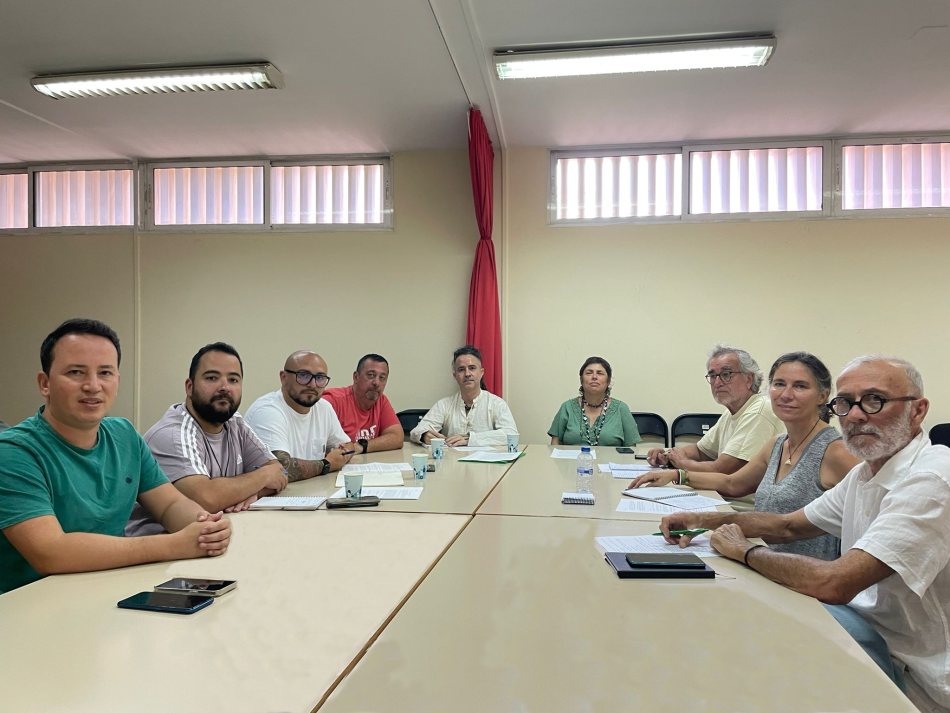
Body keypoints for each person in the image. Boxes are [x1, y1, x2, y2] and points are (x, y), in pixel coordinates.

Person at [659, 355, 950, 712]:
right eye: (846, 403)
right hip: (861, 632)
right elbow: (787, 525)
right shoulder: (866, 474)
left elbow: (835, 583)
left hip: (916, 677)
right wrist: (698, 520)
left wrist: (744, 551)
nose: (856, 415)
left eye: (875, 400)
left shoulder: (933, 479)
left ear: (918, 411)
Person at [0, 319, 231, 594]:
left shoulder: (124, 435)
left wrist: (205, 528)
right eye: (76, 372)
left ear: (117, 381)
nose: (93, 386)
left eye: (105, 373)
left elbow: (170, 505)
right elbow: (50, 552)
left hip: (108, 590)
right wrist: (175, 544)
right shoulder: (14, 452)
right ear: (45, 383)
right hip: (29, 607)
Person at [632, 352, 859, 559]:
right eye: (779, 384)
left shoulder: (836, 451)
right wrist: (676, 475)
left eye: (800, 386)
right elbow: (733, 483)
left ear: (823, 396)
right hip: (761, 560)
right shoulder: (778, 444)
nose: (786, 395)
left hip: (801, 585)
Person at [125, 342, 287, 537]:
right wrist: (263, 477)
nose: (225, 387)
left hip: (212, 536)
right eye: (212, 378)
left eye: (234, 380)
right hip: (158, 550)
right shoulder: (174, 433)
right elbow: (204, 499)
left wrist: (255, 493)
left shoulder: (235, 423)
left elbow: (280, 471)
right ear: (189, 387)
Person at [648, 344, 783, 510]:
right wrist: (669, 454)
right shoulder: (732, 411)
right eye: (712, 376)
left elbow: (722, 470)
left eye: (726, 374)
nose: (717, 382)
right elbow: (701, 451)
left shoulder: (759, 411)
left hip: (741, 509)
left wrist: (681, 463)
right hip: (717, 498)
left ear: (749, 379)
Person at [244, 350, 354, 480]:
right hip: (274, 498)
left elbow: (348, 445)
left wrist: (342, 452)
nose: (312, 384)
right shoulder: (267, 411)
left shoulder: (323, 407)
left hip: (312, 493)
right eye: (303, 375)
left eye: (320, 378)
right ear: (283, 377)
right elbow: (280, 470)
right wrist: (327, 464)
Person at [411, 345, 517, 447]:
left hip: (487, 464)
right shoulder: (444, 405)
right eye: (461, 369)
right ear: (455, 376)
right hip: (452, 463)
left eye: (472, 368)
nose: (467, 374)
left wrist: (471, 439)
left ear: (481, 372)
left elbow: (511, 434)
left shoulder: (496, 404)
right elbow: (416, 431)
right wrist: (424, 435)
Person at [548, 356, 641, 447]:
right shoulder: (567, 407)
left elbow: (631, 448)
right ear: (581, 380)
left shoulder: (621, 408)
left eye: (600, 373)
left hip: (610, 462)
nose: (594, 377)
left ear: (608, 381)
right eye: (589, 373)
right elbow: (555, 443)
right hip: (572, 461)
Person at [322, 354, 402, 453]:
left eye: (382, 378)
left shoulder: (381, 401)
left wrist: (362, 446)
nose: (376, 383)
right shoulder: (331, 401)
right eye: (371, 375)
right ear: (356, 377)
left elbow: (397, 437)